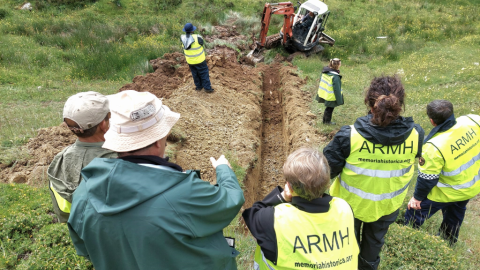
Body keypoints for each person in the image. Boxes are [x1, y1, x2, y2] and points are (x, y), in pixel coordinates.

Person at [68, 90, 244, 270]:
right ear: (159, 140)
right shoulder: (184, 194)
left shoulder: (83, 194)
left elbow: (86, 249)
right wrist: (224, 171)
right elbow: (229, 201)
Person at [323, 76, 424, 270]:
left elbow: (325, 173)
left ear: (370, 104)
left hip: (347, 206)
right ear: (400, 105)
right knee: (373, 246)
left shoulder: (348, 136)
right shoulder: (416, 134)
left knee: (346, 247)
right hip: (386, 207)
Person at [243, 148, 359, 270]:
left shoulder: (274, 219)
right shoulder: (344, 209)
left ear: (289, 187)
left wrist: (282, 196)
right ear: (327, 184)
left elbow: (253, 213)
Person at [405, 100, 480, 245]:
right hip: (470, 187)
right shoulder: (472, 120)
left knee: (414, 213)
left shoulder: (434, 147)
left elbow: (427, 179)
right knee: (454, 217)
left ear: (432, 121)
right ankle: (448, 244)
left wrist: (416, 198)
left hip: (446, 191)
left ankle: (405, 239)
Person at [48, 91, 116, 223]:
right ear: (103, 124)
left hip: (78, 230)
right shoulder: (117, 161)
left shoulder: (59, 160)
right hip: (112, 235)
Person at [181, 22, 214, 93]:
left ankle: (199, 86)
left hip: (190, 61)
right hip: (200, 60)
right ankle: (207, 88)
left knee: (195, 73)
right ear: (192, 30)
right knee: (204, 73)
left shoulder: (183, 38)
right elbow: (202, 44)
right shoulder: (198, 37)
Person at [316, 58, 344, 125]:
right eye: (340, 64)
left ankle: (324, 121)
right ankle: (327, 122)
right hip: (331, 96)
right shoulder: (335, 77)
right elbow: (337, 90)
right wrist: (339, 100)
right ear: (338, 65)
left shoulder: (325, 72)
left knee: (328, 108)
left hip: (325, 94)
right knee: (330, 109)